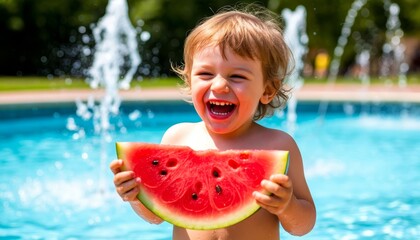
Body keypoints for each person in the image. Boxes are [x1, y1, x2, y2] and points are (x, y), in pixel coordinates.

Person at [110, 4, 316, 240]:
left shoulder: (279, 145)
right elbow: (158, 214)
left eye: (237, 76)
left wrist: (287, 207)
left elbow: (303, 225)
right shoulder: (177, 137)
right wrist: (136, 196)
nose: (219, 85)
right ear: (189, 81)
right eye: (205, 74)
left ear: (267, 90)